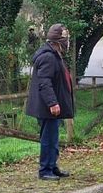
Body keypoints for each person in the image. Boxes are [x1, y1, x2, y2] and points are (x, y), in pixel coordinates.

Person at [25, 24, 75, 180]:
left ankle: (52, 166)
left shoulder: (54, 54)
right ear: (58, 41)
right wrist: (53, 103)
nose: (67, 42)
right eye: (65, 39)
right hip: (47, 107)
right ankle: (45, 170)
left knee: (53, 138)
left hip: (51, 106)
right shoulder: (48, 56)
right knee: (48, 138)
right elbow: (44, 82)